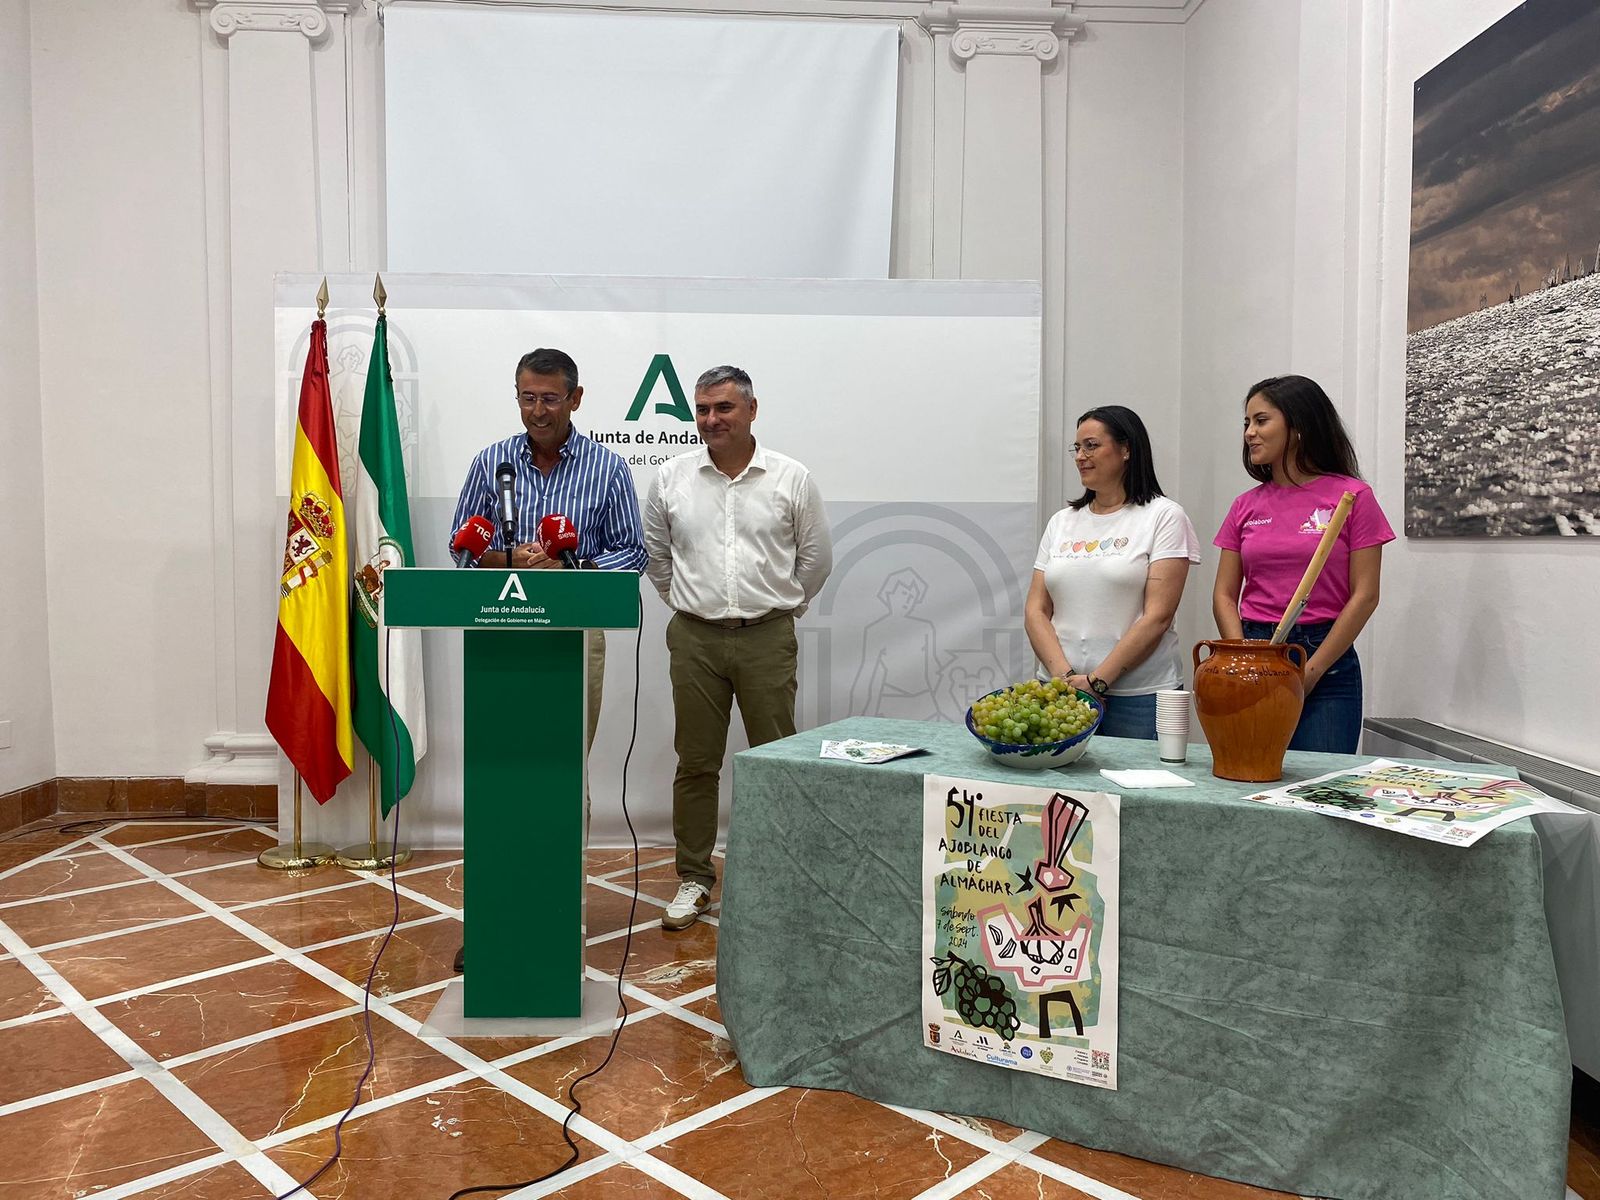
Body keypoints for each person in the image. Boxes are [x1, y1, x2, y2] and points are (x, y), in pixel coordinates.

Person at [447, 347, 647, 970]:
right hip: (500, 639)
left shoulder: (608, 470)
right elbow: (460, 551)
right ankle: (497, 915)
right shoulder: (491, 464)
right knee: (500, 774)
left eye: (550, 399)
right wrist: (504, 561)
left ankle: (557, 911)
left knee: (559, 773)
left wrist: (570, 566)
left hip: (573, 637)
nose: (538, 410)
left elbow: (632, 554)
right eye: (527, 398)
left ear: (576, 399)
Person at [643, 365, 833, 930]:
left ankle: (778, 875)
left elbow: (816, 559)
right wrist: (689, 604)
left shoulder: (791, 478)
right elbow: (657, 559)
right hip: (695, 639)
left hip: (766, 638)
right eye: (701, 409)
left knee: (774, 761)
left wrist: (782, 606)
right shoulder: (671, 479)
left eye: (723, 408)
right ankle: (694, 879)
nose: (711, 419)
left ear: (751, 410)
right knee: (695, 764)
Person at [1211, 374, 1394, 754]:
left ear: (1298, 427)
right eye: (1246, 423)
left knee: (1318, 790)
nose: (1249, 433)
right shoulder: (1245, 505)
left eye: (1261, 421)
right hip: (1256, 650)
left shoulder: (1352, 497)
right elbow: (1224, 595)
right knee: (1251, 781)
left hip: (1326, 662)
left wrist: (1309, 673)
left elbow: (1365, 595)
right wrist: (1243, 654)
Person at [1023, 405, 1200, 739]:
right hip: (1061, 695)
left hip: (1140, 698)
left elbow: (1158, 616)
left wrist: (1097, 681)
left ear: (1126, 449)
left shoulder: (1163, 516)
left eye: (1091, 445)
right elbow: (1036, 609)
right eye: (1077, 448)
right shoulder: (1062, 521)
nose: (1080, 456)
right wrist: (1067, 680)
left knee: (1141, 790)